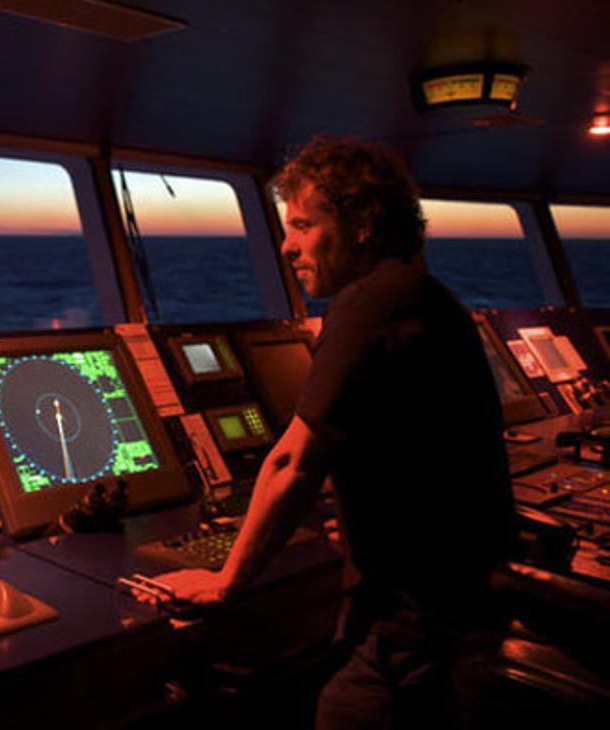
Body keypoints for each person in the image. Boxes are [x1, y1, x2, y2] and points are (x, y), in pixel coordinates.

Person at [148, 135, 515, 728]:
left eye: (302, 225)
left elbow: (293, 462)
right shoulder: (421, 295)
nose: (287, 247)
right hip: (458, 599)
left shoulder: (368, 303)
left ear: (363, 224)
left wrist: (226, 581)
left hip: (418, 620)